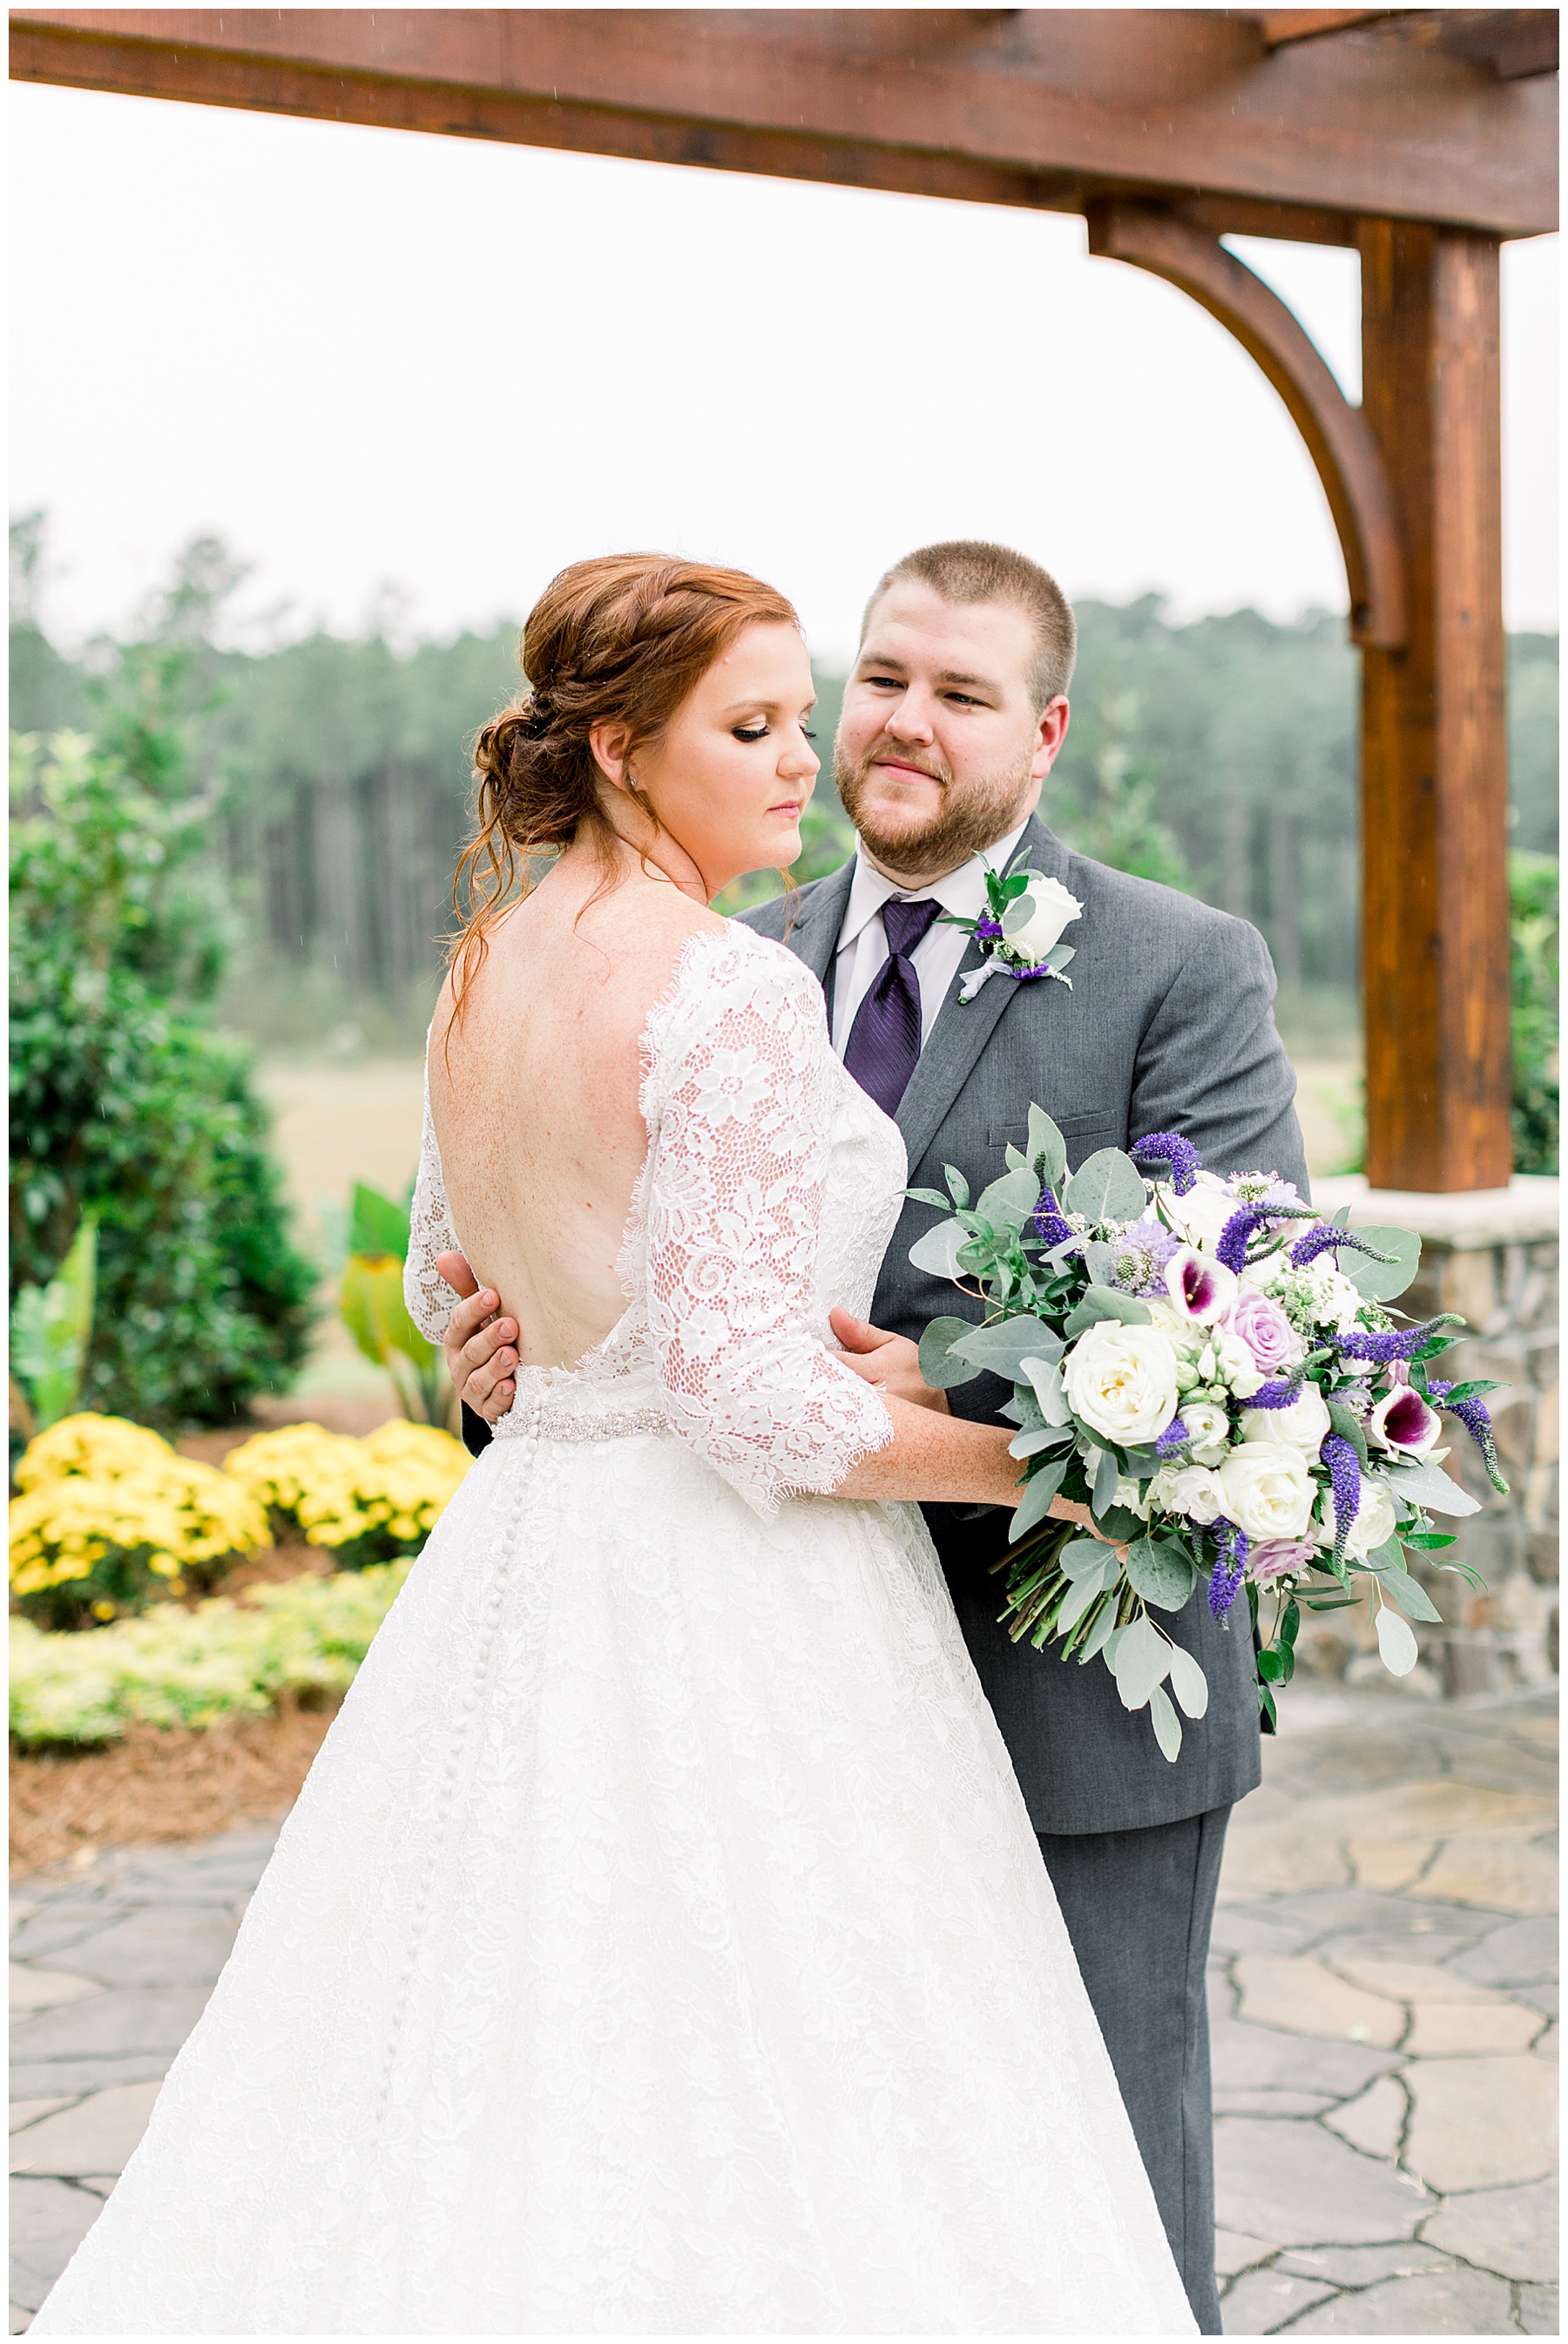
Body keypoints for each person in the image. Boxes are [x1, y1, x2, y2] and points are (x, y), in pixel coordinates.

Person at [32, 553, 1194, 2336]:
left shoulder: (481, 960)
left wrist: (544, 1349)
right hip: (737, 1593)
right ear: (626, 749)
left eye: (805, 721)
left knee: (489, 2023)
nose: (802, 762)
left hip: (535, 1553)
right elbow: (746, 1394)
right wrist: (1043, 1466)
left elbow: (444, 1283)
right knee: (786, 2061)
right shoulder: (724, 984)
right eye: (754, 727)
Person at [450, 540, 1310, 2334]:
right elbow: (522, 1239)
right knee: (818, 2175)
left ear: (1046, 732)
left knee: (1089, 2154)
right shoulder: (718, 950)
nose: (900, 722)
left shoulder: (1177, 964)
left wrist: (974, 1401)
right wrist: (486, 1329)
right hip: (756, 1679)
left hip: (1071, 1658)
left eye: (962, 693)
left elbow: (1242, 1305)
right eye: (882, 678)